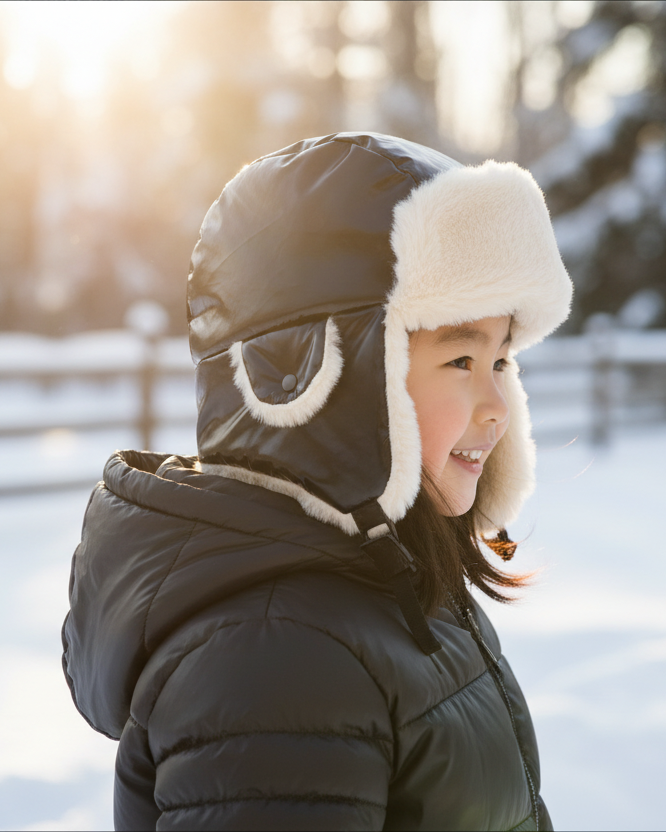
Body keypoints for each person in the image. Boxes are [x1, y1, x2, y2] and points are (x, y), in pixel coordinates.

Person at [62, 132, 572, 831]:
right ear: (314, 376)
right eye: (460, 360)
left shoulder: (396, 578)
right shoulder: (272, 659)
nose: (496, 407)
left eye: (503, 363)